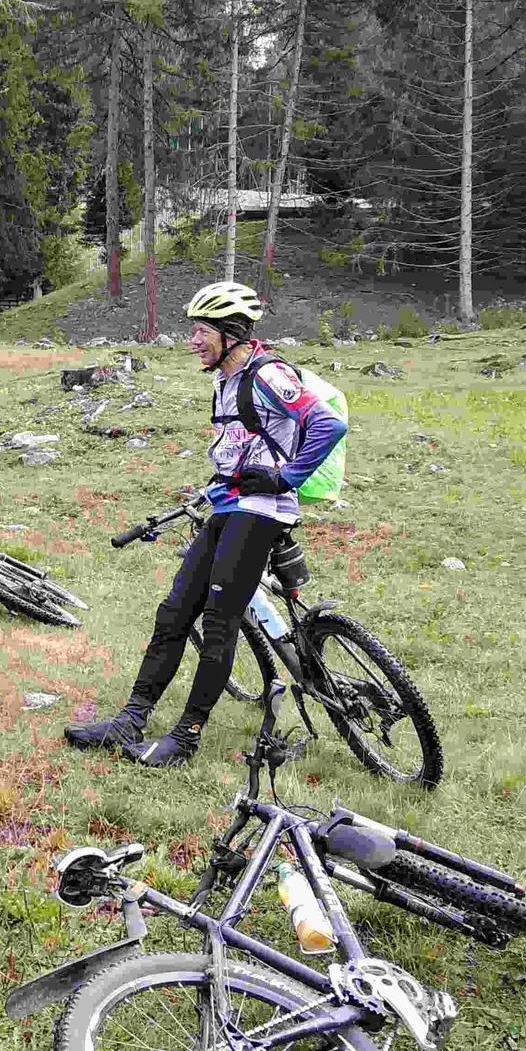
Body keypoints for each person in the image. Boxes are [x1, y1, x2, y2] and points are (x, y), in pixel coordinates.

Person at [64, 281, 343, 768]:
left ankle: (186, 737)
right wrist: (211, 488)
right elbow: (242, 446)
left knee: (219, 625)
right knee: (173, 614)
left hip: (261, 513)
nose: (191, 341)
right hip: (231, 505)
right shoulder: (226, 377)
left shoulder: (268, 374)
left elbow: (327, 425)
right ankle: (131, 718)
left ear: (230, 334)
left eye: (200, 332)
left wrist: (285, 477)